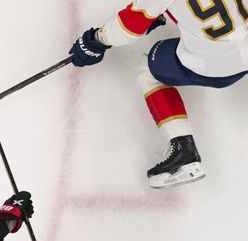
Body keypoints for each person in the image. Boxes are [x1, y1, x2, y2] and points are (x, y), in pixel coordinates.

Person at [70, 1, 248, 188]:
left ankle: (183, 150)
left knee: (148, 68)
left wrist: (97, 40)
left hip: (208, 66)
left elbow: (129, 26)